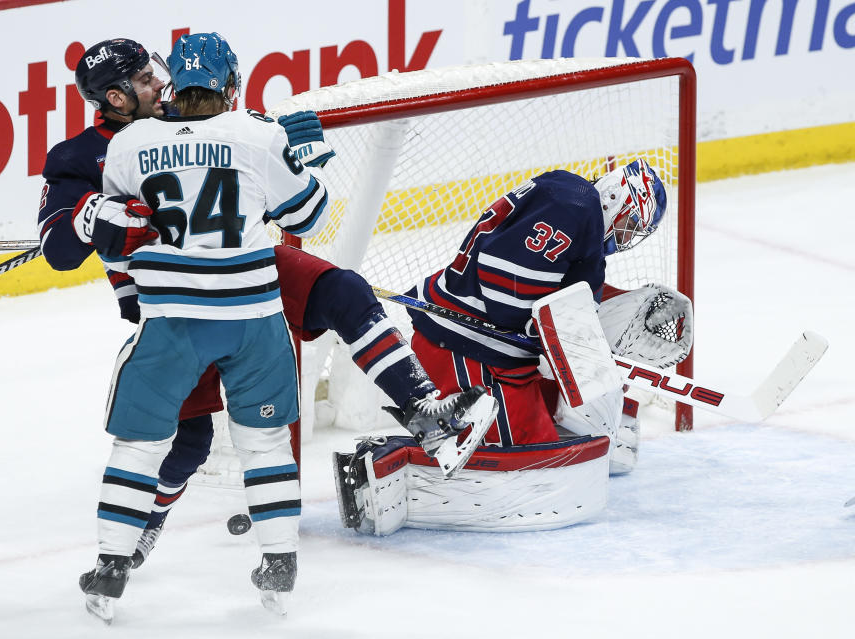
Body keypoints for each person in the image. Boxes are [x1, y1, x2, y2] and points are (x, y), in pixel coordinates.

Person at [42, 34, 496, 621]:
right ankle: (137, 539)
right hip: (171, 296)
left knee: (343, 291)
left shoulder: (185, 125)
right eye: (146, 79)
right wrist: (87, 216)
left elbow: (242, 159)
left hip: (243, 270)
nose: (161, 84)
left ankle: (423, 412)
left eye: (161, 73)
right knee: (189, 445)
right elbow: (57, 247)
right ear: (115, 97)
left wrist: (275, 150)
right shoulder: (81, 156)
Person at [333, 160, 694, 535]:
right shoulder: (574, 204)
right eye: (631, 223)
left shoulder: (577, 208)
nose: (626, 236)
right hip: (464, 344)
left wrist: (613, 315)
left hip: (499, 353)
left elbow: (566, 300)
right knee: (530, 466)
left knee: (547, 450)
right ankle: (378, 466)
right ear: (616, 197)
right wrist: (547, 334)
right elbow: (505, 280)